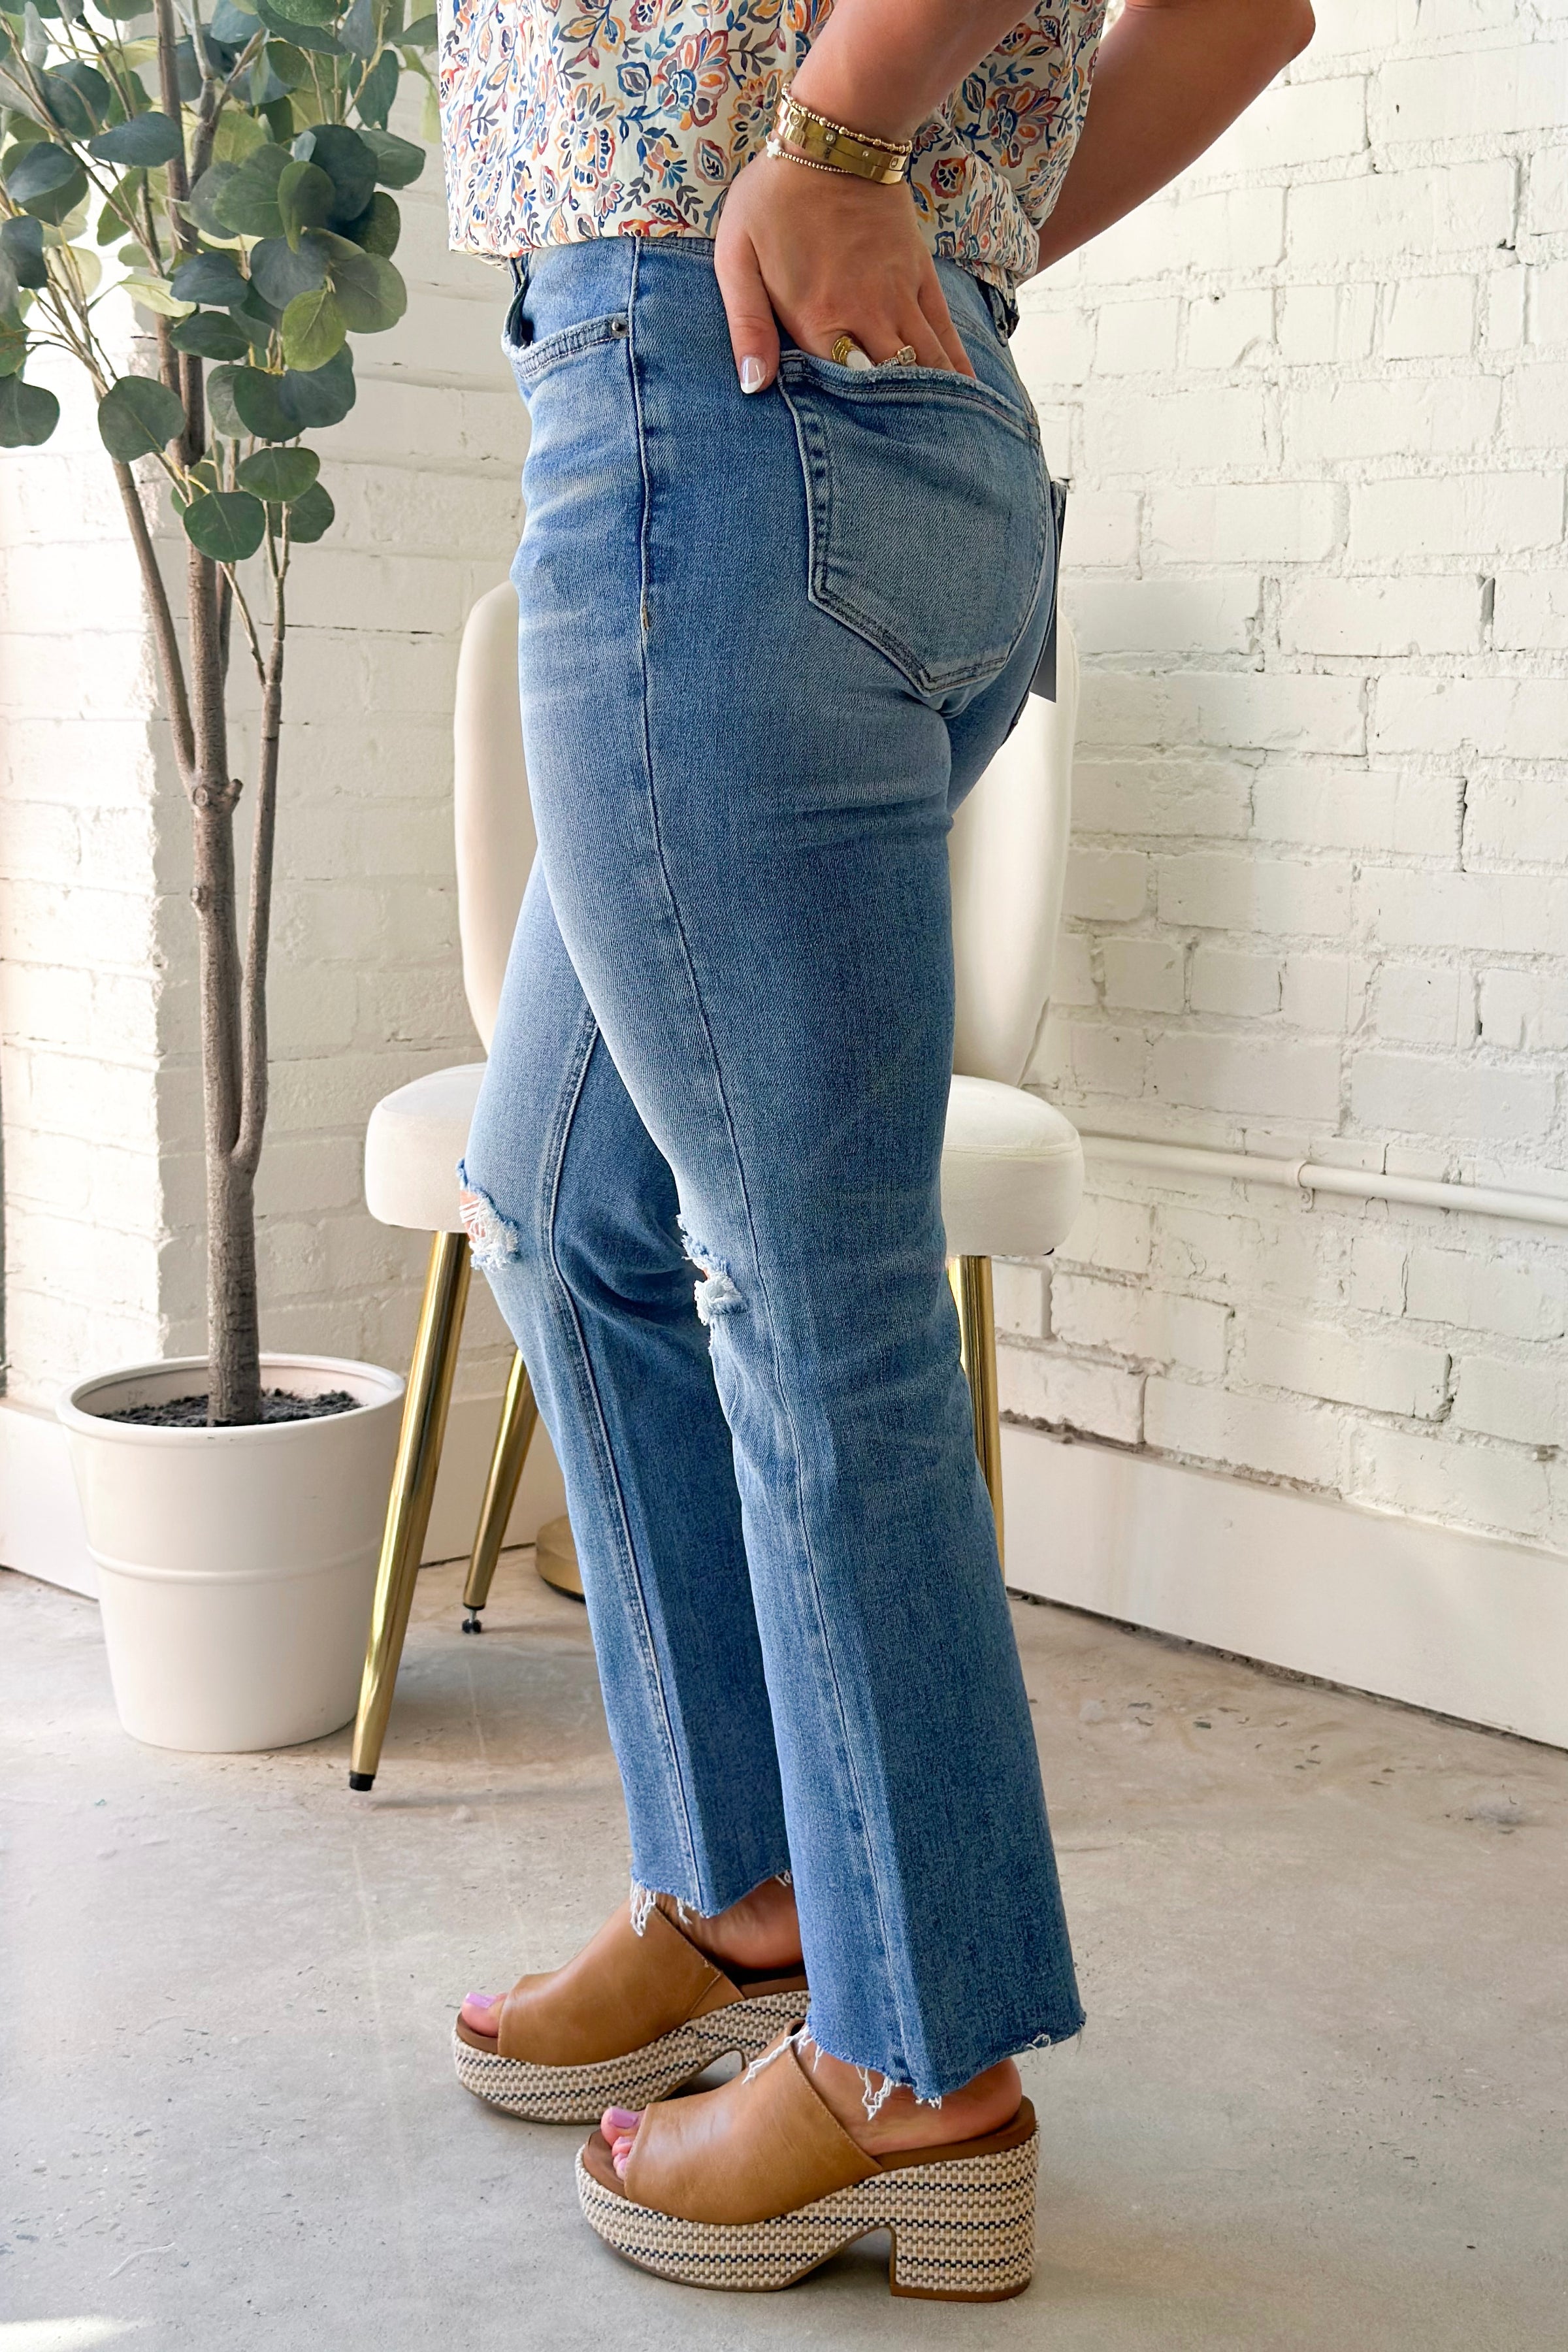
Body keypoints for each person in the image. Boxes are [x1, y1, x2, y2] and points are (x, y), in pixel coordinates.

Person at [446, 0, 1313, 2301]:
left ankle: (918, 2065)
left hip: (708, 401)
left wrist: (842, 144)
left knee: (802, 1284)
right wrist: (938, 207)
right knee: (569, 1200)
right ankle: (752, 1898)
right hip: (872, 414)